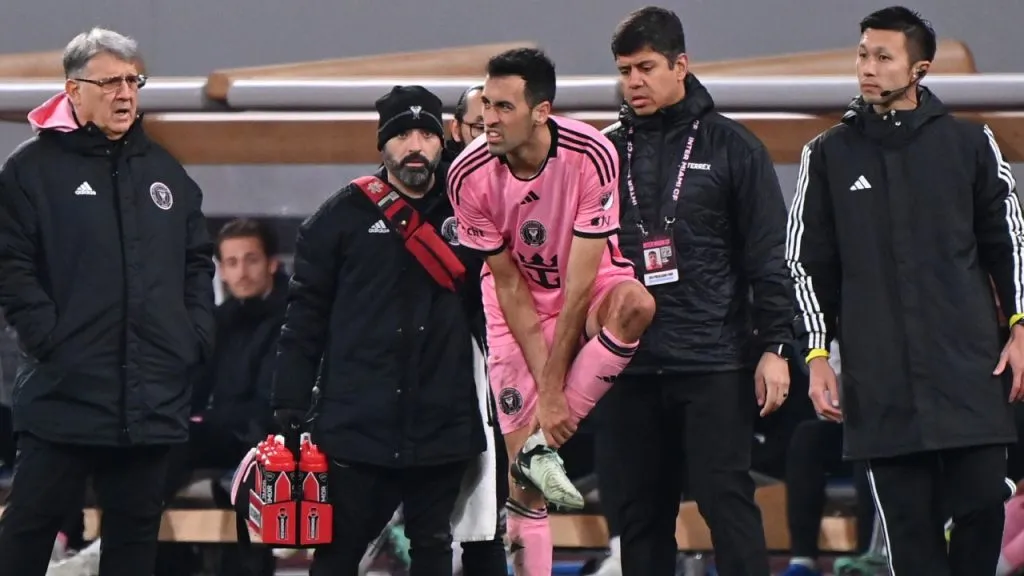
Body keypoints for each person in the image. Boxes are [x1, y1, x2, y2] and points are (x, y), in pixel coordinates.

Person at [786, 6, 1023, 575]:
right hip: (881, 383)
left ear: (919, 69)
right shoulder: (828, 154)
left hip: (971, 373)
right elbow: (806, 265)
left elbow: (1010, 243)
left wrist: (1021, 326)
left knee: (982, 513)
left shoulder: (970, 144)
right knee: (911, 544)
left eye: (883, 57)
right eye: (863, 54)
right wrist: (815, 355)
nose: (867, 68)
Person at [0, 27, 215, 576]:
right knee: (26, 534)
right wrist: (49, 339)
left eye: (133, 81)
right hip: (65, 394)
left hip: (151, 400)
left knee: (134, 546)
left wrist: (191, 339)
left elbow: (196, 262)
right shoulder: (29, 171)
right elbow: (11, 265)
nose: (125, 94)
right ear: (74, 90)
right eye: (110, 82)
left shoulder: (165, 172)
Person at [599, 7, 794, 575]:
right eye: (625, 71)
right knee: (639, 516)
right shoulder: (604, 153)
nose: (634, 82)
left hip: (713, 361)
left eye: (646, 68)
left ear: (680, 65)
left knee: (725, 505)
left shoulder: (734, 147)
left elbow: (768, 257)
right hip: (628, 364)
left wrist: (776, 346)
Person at [450, 47, 655, 576]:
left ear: (541, 111)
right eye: (486, 104)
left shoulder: (592, 153)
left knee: (636, 304)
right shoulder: (467, 174)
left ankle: (542, 443)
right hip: (513, 301)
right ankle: (536, 456)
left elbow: (581, 284)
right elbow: (509, 284)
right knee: (526, 486)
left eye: (504, 107)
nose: (489, 119)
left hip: (584, 287)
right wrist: (547, 385)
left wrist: (556, 395)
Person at [272, 85, 486, 576]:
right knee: (339, 552)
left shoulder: (472, 212)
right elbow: (303, 318)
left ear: (442, 141)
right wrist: (288, 403)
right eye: (402, 135)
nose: (415, 146)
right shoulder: (337, 219)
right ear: (382, 144)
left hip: (442, 422)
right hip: (357, 427)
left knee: (434, 547)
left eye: (426, 134)